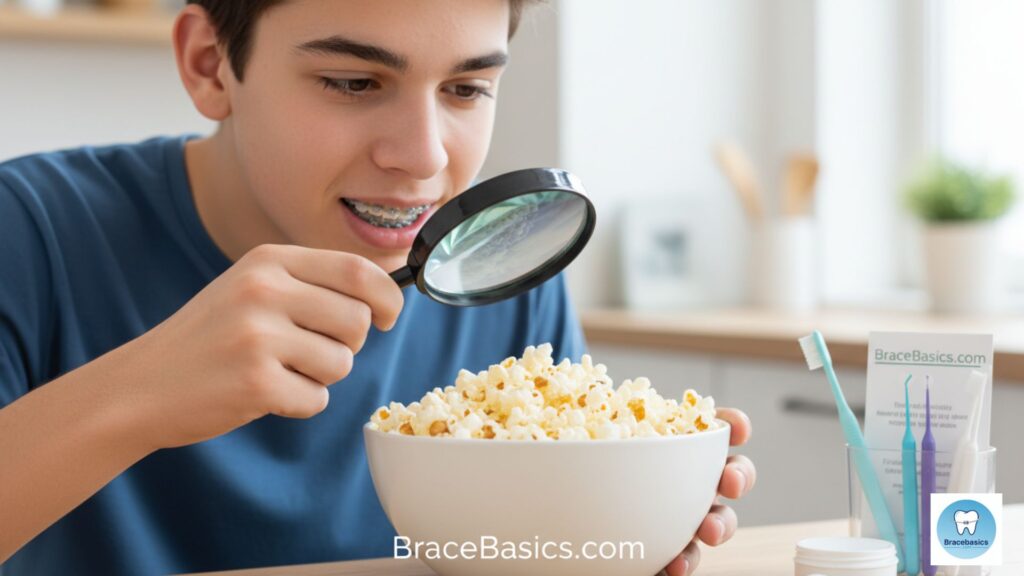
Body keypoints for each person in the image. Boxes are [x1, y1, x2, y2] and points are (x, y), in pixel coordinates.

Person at [0, 1, 756, 574]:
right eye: (354, 82)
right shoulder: (27, 233)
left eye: (465, 89)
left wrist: (614, 529)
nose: (422, 156)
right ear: (209, 63)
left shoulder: (507, 277)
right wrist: (138, 391)